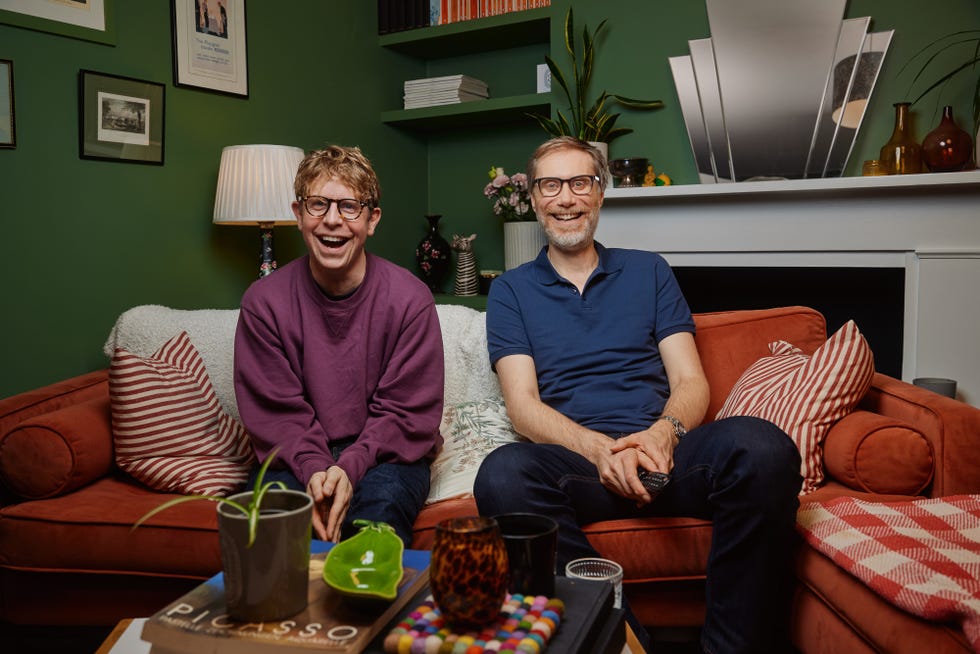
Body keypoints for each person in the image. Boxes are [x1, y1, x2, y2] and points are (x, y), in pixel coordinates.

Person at [474, 137, 802, 653]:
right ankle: (627, 644)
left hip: (663, 456)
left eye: (580, 182)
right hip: (578, 465)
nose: (566, 198)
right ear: (534, 199)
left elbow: (691, 382)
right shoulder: (511, 291)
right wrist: (602, 450)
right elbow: (523, 407)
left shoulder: (649, 270)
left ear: (600, 193)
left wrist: (661, 436)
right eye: (551, 185)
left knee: (765, 447)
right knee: (501, 474)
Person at [233, 145, 444, 547]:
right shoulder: (263, 303)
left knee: (373, 527)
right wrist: (315, 469)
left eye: (349, 206)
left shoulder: (410, 300)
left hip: (386, 454)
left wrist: (348, 468)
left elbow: (404, 413)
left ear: (372, 219)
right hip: (293, 454)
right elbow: (277, 414)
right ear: (298, 214)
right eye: (318, 205)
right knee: (270, 534)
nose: (332, 220)